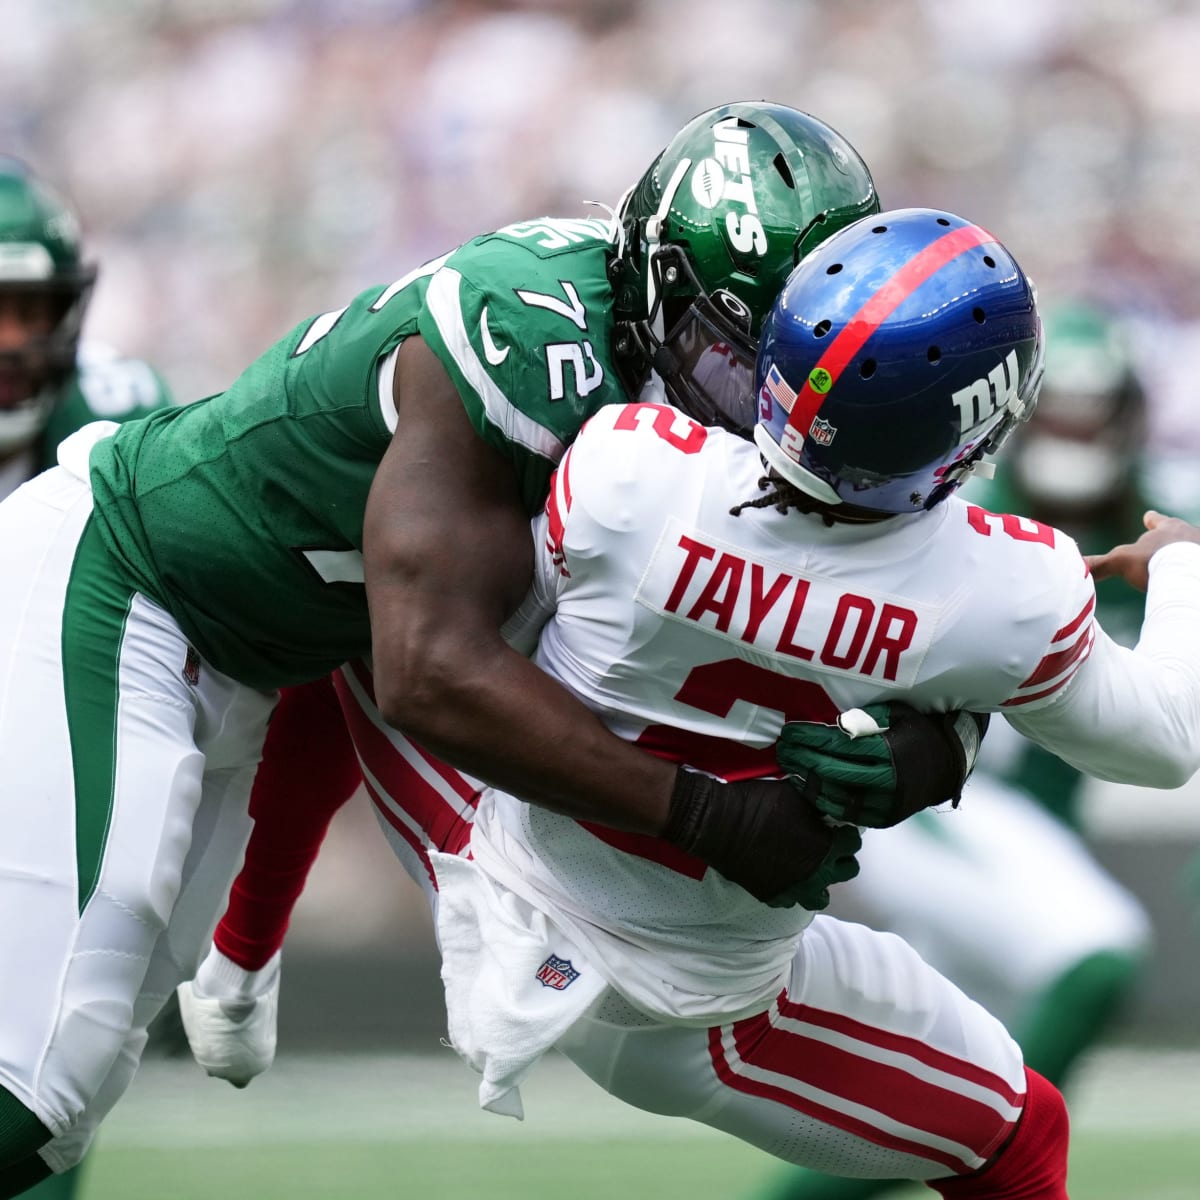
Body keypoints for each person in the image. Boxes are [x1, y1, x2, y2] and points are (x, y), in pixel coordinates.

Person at [0, 103, 981, 1196]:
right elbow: (424, 672)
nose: (763, 398)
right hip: (125, 581)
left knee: (64, 1107)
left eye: (798, 361)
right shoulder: (528, 340)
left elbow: (927, 599)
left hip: (239, 658)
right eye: (730, 350)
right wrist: (709, 816)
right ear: (655, 288)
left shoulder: (733, 399)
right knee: (38, 1084)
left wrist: (942, 743)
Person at [185, 208, 1200, 1198]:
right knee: (1022, 1135)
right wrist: (1179, 566)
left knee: (376, 611)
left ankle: (239, 959)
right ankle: (238, 966)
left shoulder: (628, 465)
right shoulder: (1004, 591)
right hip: (700, 1004)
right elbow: (1164, 742)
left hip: (496, 852)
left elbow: (488, 642)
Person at [748, 298, 1160, 1200]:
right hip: (931, 800)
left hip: (1018, 834)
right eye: (1059, 413)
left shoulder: (1160, 525)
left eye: (1093, 413)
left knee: (953, 1104)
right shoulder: (958, 523)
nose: (1076, 434)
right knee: (1095, 953)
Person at [0, 156, 175, 1200]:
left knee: (38, 1069)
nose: (11, 344)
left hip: (37, 772)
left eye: (28, 311)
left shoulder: (116, 416)